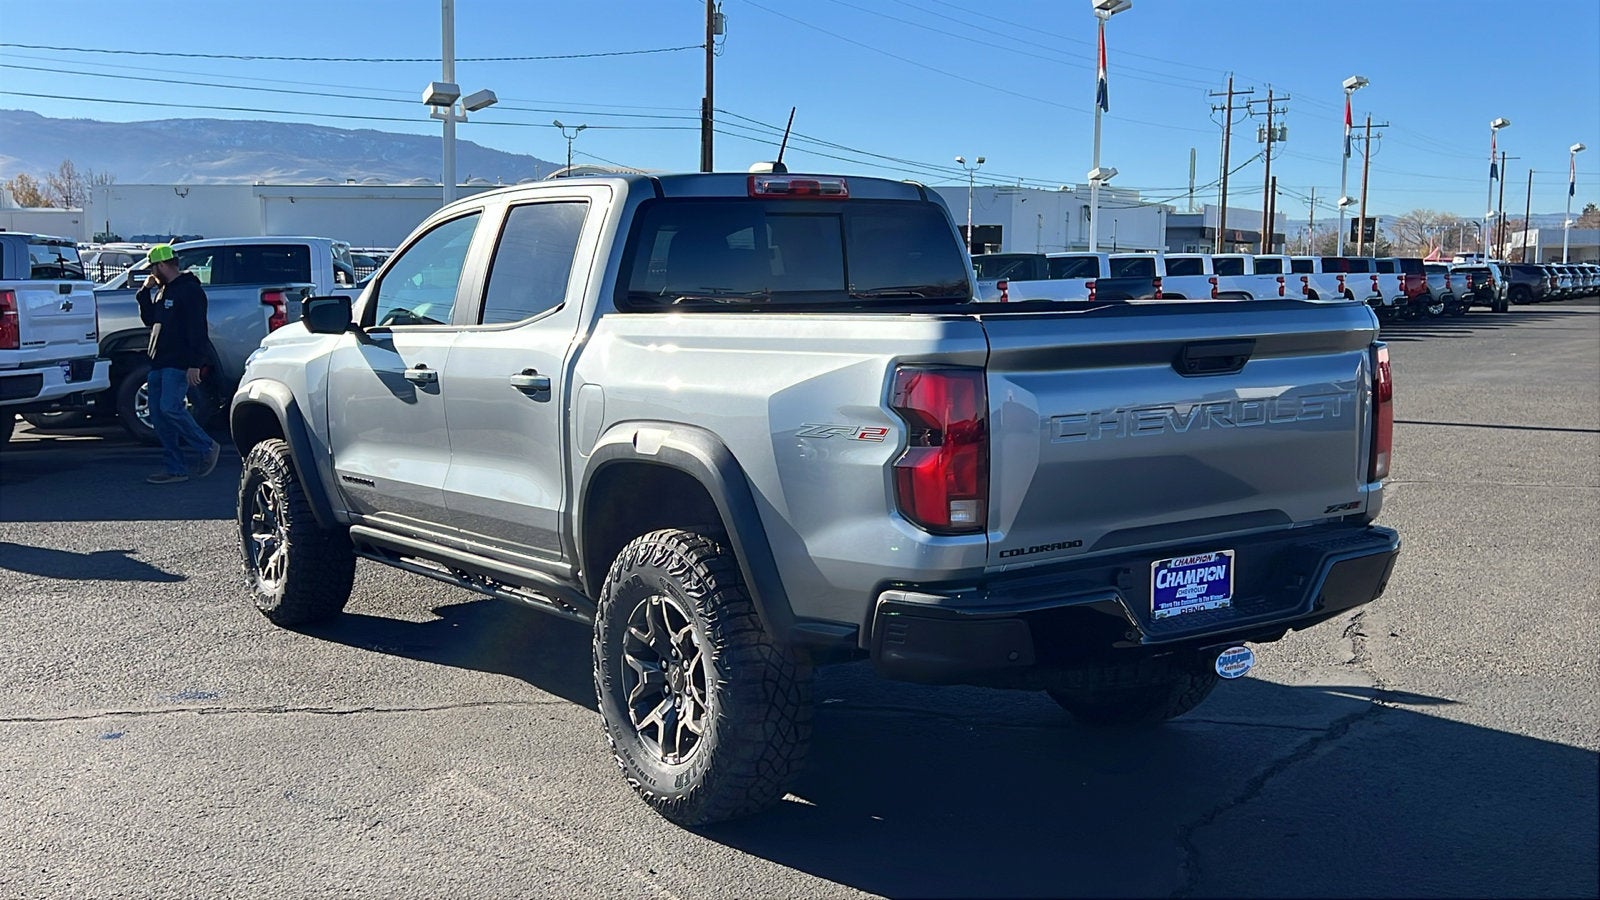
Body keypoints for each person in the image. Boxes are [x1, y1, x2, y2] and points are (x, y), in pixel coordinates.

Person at [136, 244, 220, 484]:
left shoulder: (189, 291)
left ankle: (206, 447)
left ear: (162, 265)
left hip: (178, 362)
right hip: (159, 362)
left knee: (170, 408)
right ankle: (175, 468)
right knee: (160, 415)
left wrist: (195, 364)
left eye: (152, 267)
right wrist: (144, 293)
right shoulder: (164, 290)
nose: (151, 273)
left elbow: (198, 330)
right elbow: (150, 320)